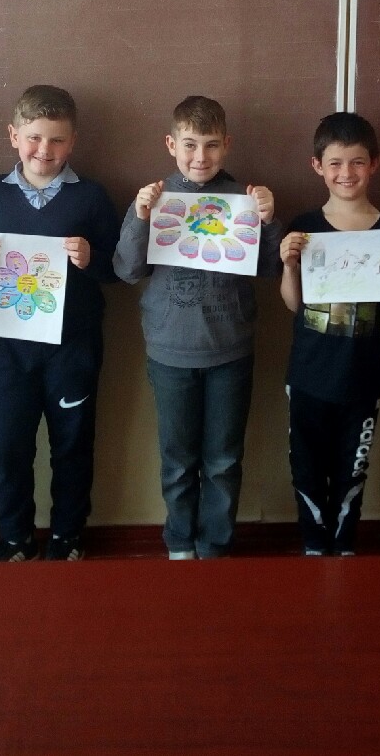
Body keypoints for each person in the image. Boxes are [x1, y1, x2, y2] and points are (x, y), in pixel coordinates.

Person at [113, 95, 282, 559]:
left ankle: (215, 547)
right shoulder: (154, 198)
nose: (200, 156)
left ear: (226, 144)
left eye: (211, 145)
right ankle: (180, 544)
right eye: (189, 144)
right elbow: (127, 269)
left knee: (224, 460)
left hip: (231, 350)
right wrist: (140, 216)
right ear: (171, 144)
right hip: (170, 352)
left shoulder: (244, 199)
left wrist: (269, 221)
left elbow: (270, 269)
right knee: (177, 459)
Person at [0, 85, 120, 562]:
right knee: (7, 448)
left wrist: (91, 258)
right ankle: (15, 537)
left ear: (72, 141)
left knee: (72, 445)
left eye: (56, 140)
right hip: (10, 347)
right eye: (33, 137)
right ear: (14, 136)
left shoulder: (90, 196)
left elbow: (117, 269)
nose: (44, 150)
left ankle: (66, 536)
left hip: (73, 347)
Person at [278, 112, 380, 555]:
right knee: (307, 470)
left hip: (362, 378)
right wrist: (288, 265)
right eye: (335, 163)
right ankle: (313, 544)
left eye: (358, 162)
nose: (346, 173)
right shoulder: (304, 226)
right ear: (317, 166)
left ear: (374, 164)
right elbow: (293, 304)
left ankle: (344, 546)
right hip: (308, 375)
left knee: (352, 471)